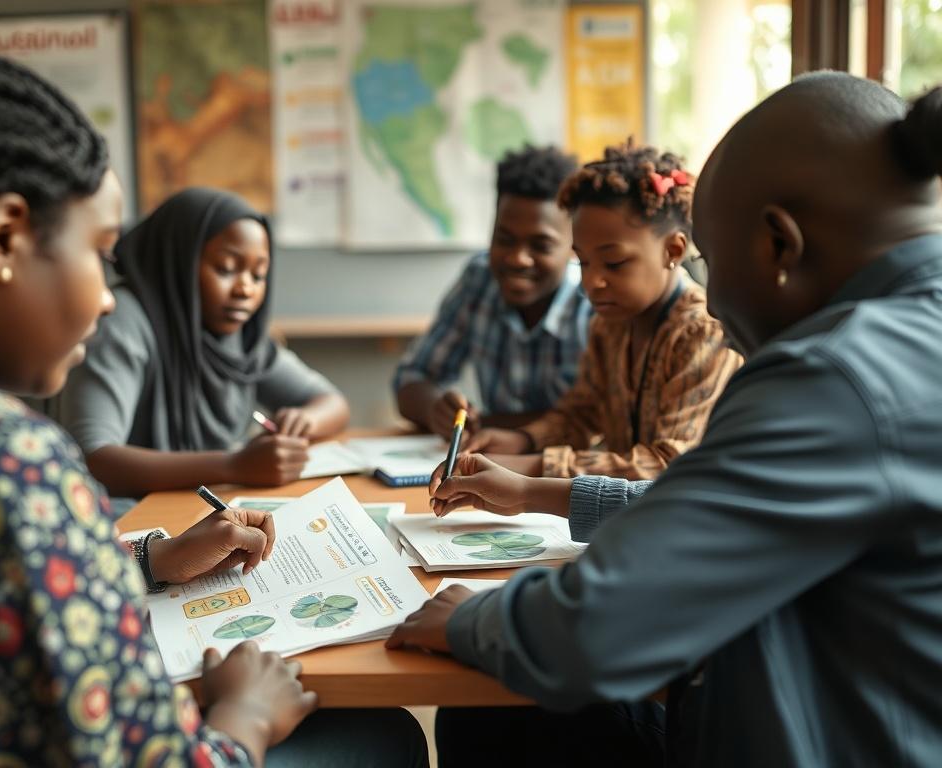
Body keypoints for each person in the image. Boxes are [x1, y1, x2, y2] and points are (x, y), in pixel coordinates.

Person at [388, 73, 942, 767]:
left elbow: (596, 628)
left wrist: (473, 616)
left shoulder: (834, 376)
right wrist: (535, 489)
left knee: (492, 716)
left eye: (711, 260)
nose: (711, 306)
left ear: (778, 243)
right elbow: (718, 508)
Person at [0, 48, 427, 767]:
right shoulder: (1, 464)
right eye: (99, 252)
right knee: (385, 741)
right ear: (5, 238)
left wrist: (155, 556)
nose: (103, 295)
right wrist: (243, 721)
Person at [463, 144, 742, 480]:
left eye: (614, 263)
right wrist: (522, 440)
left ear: (673, 250)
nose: (592, 282)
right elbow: (581, 414)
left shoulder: (704, 334)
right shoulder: (610, 324)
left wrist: (535, 467)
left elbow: (668, 464)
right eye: (583, 261)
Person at [52, 187, 350, 500]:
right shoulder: (123, 321)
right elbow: (93, 458)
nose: (245, 289)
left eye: (258, 275)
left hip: (205, 509)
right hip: (132, 518)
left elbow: (332, 402)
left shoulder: (238, 336)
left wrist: (303, 421)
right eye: (226, 269)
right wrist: (234, 466)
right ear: (178, 260)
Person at [394, 145, 591, 439]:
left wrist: (491, 424)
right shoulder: (479, 279)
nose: (517, 258)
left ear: (575, 247)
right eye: (504, 239)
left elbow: (596, 420)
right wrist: (436, 408)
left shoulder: (594, 303)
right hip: (493, 467)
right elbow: (411, 379)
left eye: (541, 245)